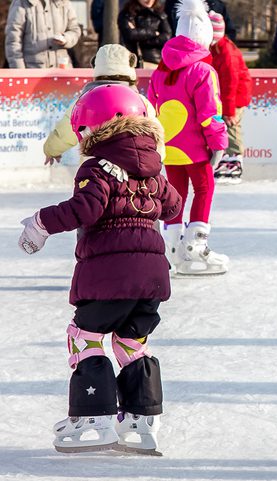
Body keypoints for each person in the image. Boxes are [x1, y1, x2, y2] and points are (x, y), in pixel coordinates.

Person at [18, 84, 181, 456]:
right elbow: (172, 208)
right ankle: (141, 419)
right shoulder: (155, 167)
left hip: (111, 275)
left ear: (92, 129)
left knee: (85, 337)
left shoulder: (97, 167)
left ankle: (95, 417)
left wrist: (41, 223)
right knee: (131, 343)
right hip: (153, 279)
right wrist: (154, 177)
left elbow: (85, 209)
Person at [149, 0, 229, 275]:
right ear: (204, 38)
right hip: (196, 148)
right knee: (204, 188)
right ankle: (195, 246)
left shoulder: (161, 70)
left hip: (169, 148)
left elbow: (152, 107)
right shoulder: (203, 71)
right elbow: (210, 114)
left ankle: (171, 248)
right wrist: (218, 144)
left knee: (177, 194)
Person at [43, 44, 163, 165]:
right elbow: (155, 133)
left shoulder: (85, 100)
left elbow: (65, 132)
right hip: (133, 167)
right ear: (130, 65)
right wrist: (158, 157)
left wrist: (51, 150)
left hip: (95, 170)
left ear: (96, 66)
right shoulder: (139, 101)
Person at [209, 11, 252, 184]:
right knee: (221, 127)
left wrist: (229, 110)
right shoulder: (214, 49)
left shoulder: (227, 52)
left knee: (231, 125)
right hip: (224, 98)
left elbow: (230, 83)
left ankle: (234, 159)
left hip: (235, 97)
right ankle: (224, 159)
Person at [5, 0, 82, 68]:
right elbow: (13, 42)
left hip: (61, 70)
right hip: (33, 71)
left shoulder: (64, 3)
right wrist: (20, 72)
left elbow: (75, 29)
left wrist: (66, 38)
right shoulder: (21, 3)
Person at [118, 0, 173, 67]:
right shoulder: (127, 14)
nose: (149, 0)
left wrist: (140, 37)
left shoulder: (160, 13)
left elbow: (166, 37)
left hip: (155, 60)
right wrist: (154, 33)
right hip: (131, 61)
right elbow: (130, 34)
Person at [165, 0, 234, 39]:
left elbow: (230, 32)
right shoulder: (172, 3)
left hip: (212, 54)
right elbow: (166, 30)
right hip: (180, 51)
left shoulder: (217, 5)